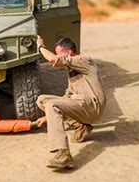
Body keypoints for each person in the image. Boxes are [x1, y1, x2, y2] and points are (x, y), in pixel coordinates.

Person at [36, 36, 106, 169]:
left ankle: (63, 153)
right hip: (83, 106)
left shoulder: (85, 61)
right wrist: (48, 116)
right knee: (43, 101)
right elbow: (67, 96)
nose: (57, 57)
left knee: (52, 105)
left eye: (59, 53)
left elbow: (52, 59)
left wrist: (40, 46)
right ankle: (81, 127)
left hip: (92, 105)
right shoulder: (72, 71)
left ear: (68, 53)